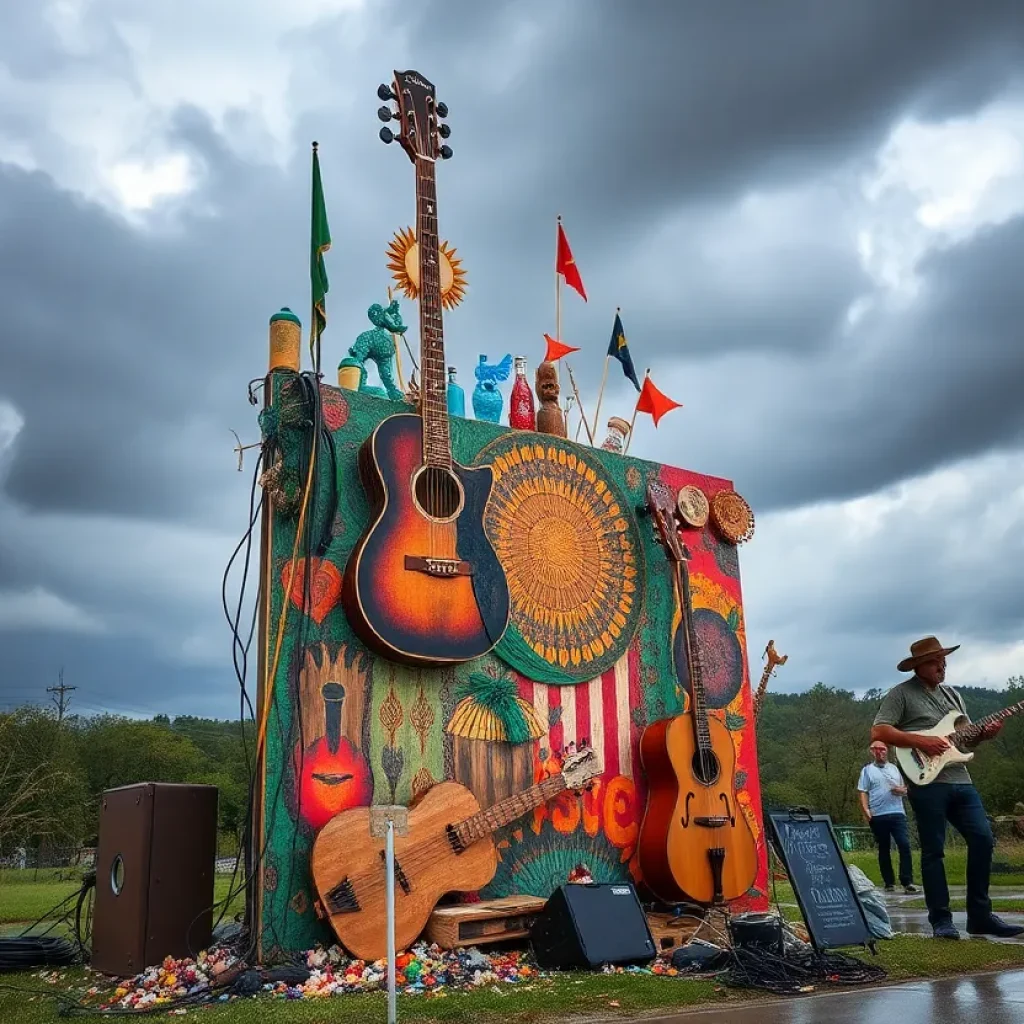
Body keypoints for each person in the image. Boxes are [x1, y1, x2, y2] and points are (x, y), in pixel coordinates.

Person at [871, 636, 1023, 940]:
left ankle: (980, 917)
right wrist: (920, 741)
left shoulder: (953, 695)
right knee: (934, 850)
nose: (942, 666)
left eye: (944, 660)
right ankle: (941, 920)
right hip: (926, 780)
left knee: (983, 839)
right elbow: (879, 730)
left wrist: (983, 736)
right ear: (919, 666)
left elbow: (962, 739)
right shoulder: (901, 695)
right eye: (936, 661)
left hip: (960, 778)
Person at [857, 740, 918, 895]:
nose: (880, 752)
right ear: (872, 751)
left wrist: (902, 790)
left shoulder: (895, 769)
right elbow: (863, 791)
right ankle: (889, 882)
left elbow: (906, 789)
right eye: (876, 749)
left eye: (882, 749)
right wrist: (866, 810)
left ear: (887, 751)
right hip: (878, 814)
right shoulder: (867, 770)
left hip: (897, 812)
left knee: (904, 845)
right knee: (884, 848)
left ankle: (907, 881)